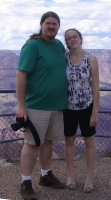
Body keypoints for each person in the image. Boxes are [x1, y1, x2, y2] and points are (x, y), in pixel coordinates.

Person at [16, 11, 68, 200]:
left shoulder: (59, 45)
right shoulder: (32, 45)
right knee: (31, 144)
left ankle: (46, 175)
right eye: (48, 23)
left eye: (55, 24)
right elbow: (21, 74)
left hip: (57, 105)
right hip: (36, 105)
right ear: (41, 24)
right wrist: (21, 105)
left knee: (48, 142)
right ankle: (26, 182)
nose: (51, 26)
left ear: (58, 27)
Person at [63, 28, 99, 193]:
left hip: (87, 107)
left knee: (89, 143)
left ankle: (89, 178)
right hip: (68, 107)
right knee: (69, 141)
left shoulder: (91, 59)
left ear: (80, 38)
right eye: (69, 38)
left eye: (74, 36)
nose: (72, 39)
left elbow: (96, 88)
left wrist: (95, 112)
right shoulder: (64, 58)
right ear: (67, 42)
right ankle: (70, 176)